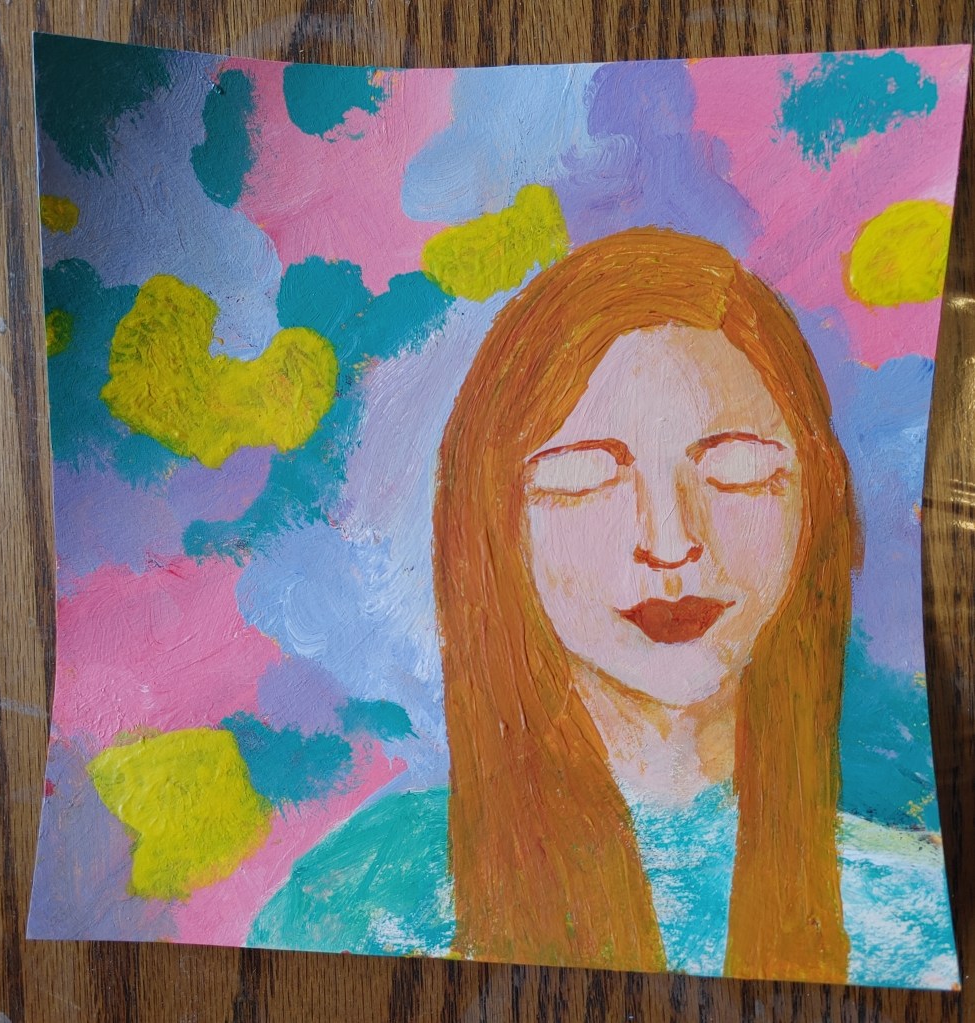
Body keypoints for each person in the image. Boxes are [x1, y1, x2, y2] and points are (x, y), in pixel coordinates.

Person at [249, 228, 957, 988]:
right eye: (585, 477)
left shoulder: (919, 921)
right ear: (496, 523)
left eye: (737, 468)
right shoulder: (357, 905)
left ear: (815, 502)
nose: (670, 543)